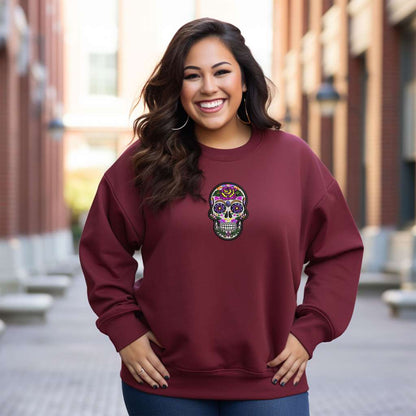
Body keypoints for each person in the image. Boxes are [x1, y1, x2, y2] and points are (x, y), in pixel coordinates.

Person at [79, 17, 364, 416]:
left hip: (271, 382)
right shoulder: (146, 161)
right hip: (163, 383)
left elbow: (340, 250)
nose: (208, 87)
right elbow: (102, 250)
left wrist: (310, 330)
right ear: (177, 88)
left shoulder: (293, 159)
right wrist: (124, 331)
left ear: (245, 80)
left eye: (221, 72)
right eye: (192, 76)